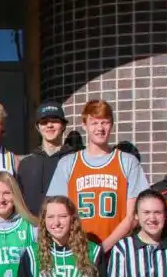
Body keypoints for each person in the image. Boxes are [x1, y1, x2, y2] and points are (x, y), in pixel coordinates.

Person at [46, 99, 149, 252]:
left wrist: (103, 248)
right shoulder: (68, 163)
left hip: (118, 250)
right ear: (84, 125)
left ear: (112, 124)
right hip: (78, 251)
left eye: (105, 122)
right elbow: (56, 212)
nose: (100, 128)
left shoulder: (127, 162)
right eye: (94, 123)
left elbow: (133, 216)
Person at [17, 101, 74, 216]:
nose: (49, 125)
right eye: (44, 122)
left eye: (54, 120)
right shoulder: (26, 163)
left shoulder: (75, 159)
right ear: (38, 127)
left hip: (66, 227)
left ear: (63, 125)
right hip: (33, 228)